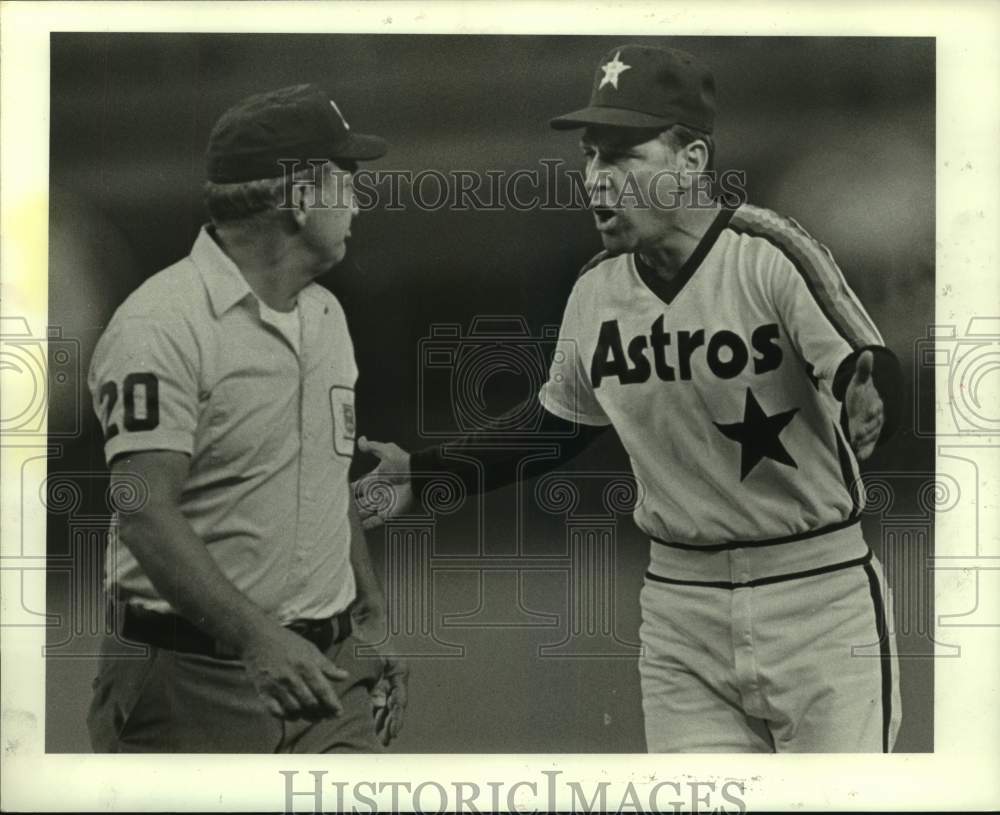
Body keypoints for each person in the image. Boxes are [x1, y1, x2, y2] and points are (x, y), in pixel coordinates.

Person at [357, 45, 904, 753]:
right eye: (590, 156)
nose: (596, 179)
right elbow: (552, 430)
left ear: (692, 161)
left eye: (622, 155)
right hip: (682, 617)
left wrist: (871, 393)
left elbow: (866, 362)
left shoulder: (766, 253)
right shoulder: (598, 290)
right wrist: (422, 471)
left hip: (818, 597)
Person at [86, 83, 407, 753]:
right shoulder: (160, 323)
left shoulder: (326, 315)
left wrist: (369, 613)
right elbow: (144, 510)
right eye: (344, 179)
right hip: (190, 681)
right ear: (297, 197)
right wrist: (258, 639)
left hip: (326, 679)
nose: (358, 199)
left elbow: (326, 477)